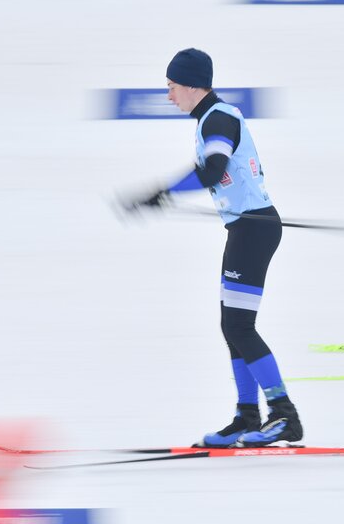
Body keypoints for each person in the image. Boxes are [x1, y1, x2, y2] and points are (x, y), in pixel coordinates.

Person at [124, 48, 302, 446]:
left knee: (240, 326)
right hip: (244, 229)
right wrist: (165, 193)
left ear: (190, 85)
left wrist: (164, 192)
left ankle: (284, 416)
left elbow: (214, 168)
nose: (169, 96)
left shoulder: (218, 118)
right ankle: (247, 416)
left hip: (254, 229)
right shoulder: (213, 117)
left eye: (171, 87)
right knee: (232, 326)